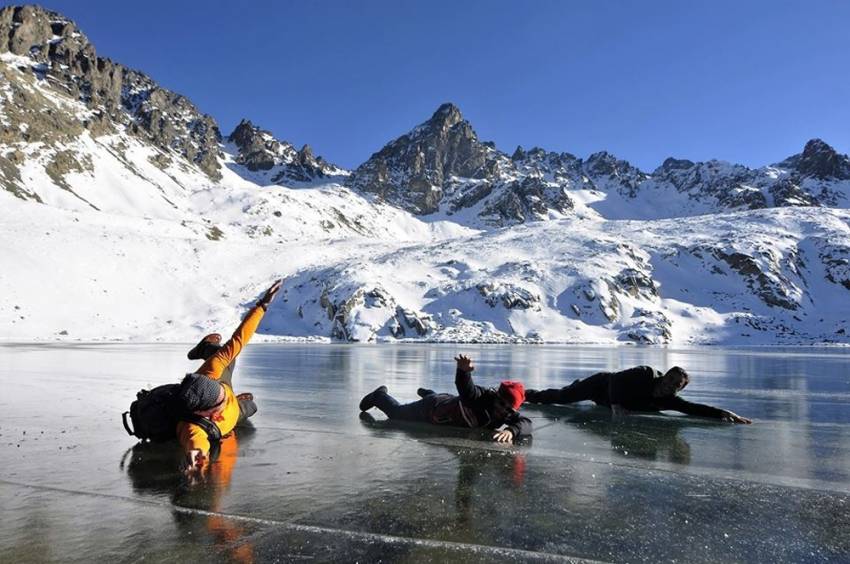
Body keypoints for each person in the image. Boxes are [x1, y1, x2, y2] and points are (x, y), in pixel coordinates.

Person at [179, 280, 282, 474]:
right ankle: (239, 401)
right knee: (252, 406)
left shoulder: (212, 372)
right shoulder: (194, 425)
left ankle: (206, 347)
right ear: (207, 413)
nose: (223, 397)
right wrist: (197, 454)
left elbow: (238, 340)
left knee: (227, 358)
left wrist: (262, 305)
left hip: (220, 381)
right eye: (221, 401)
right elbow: (195, 442)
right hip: (232, 416)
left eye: (222, 396)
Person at [358, 354, 532, 442]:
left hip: (448, 403)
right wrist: (463, 372)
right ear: (497, 395)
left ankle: (428, 392)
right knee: (396, 413)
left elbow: (526, 423)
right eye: (502, 403)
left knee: (442, 399)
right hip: (431, 410)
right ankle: (379, 395)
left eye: (509, 409)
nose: (503, 410)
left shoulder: (508, 414)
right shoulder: (482, 397)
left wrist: (511, 431)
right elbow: (466, 390)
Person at [524, 365, 751, 423]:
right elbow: (614, 379)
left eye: (675, 385)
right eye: (668, 379)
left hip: (603, 400)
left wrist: (723, 413)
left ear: (679, 390)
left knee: (569, 393)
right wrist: (615, 404)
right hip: (600, 386)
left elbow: (693, 409)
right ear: (663, 376)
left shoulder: (669, 401)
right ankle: (525, 394)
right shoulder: (646, 373)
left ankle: (574, 386)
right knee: (561, 398)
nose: (668, 385)